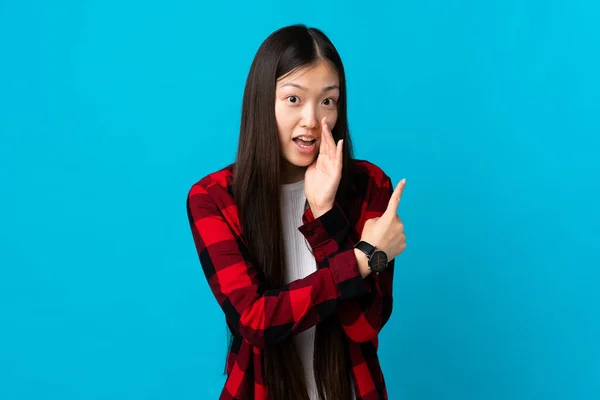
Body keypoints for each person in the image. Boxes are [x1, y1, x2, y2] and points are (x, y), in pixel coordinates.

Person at [186, 24, 407, 400]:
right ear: (262, 102)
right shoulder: (214, 198)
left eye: (327, 101)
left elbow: (364, 326)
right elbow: (255, 321)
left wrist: (324, 214)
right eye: (293, 99)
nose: (312, 120)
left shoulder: (369, 185)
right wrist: (360, 259)